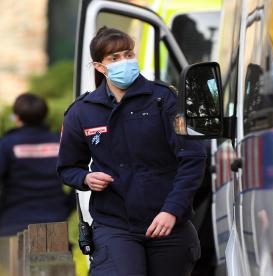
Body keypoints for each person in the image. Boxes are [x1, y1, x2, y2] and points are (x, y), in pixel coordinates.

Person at [57, 26, 206, 276]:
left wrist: (171, 210)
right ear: (99, 67)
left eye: (128, 54)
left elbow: (193, 158)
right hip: (115, 226)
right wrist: (85, 178)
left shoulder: (166, 100)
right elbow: (67, 168)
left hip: (168, 224)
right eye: (114, 58)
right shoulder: (82, 111)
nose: (124, 62)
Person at [0, 93, 74, 236]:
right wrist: (66, 206)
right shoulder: (59, 143)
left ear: (17, 118)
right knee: (56, 259)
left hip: (13, 222)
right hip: (55, 222)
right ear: (44, 116)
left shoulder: (6, 145)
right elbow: (80, 175)